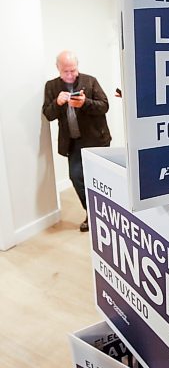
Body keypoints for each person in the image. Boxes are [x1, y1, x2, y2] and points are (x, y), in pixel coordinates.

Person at [43, 50, 111, 232]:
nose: (71, 74)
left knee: (101, 179)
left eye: (73, 70)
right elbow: (48, 115)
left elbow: (104, 105)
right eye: (66, 71)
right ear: (58, 68)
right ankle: (92, 213)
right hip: (73, 142)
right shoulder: (51, 86)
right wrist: (57, 103)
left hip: (97, 139)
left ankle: (109, 213)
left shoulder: (90, 81)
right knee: (76, 176)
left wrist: (85, 103)